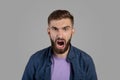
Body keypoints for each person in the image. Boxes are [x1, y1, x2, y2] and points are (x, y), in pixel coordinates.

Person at [22, 9, 97, 80]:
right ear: (49, 32)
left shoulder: (85, 61)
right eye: (55, 29)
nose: (60, 35)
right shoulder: (35, 60)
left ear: (72, 31)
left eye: (65, 29)